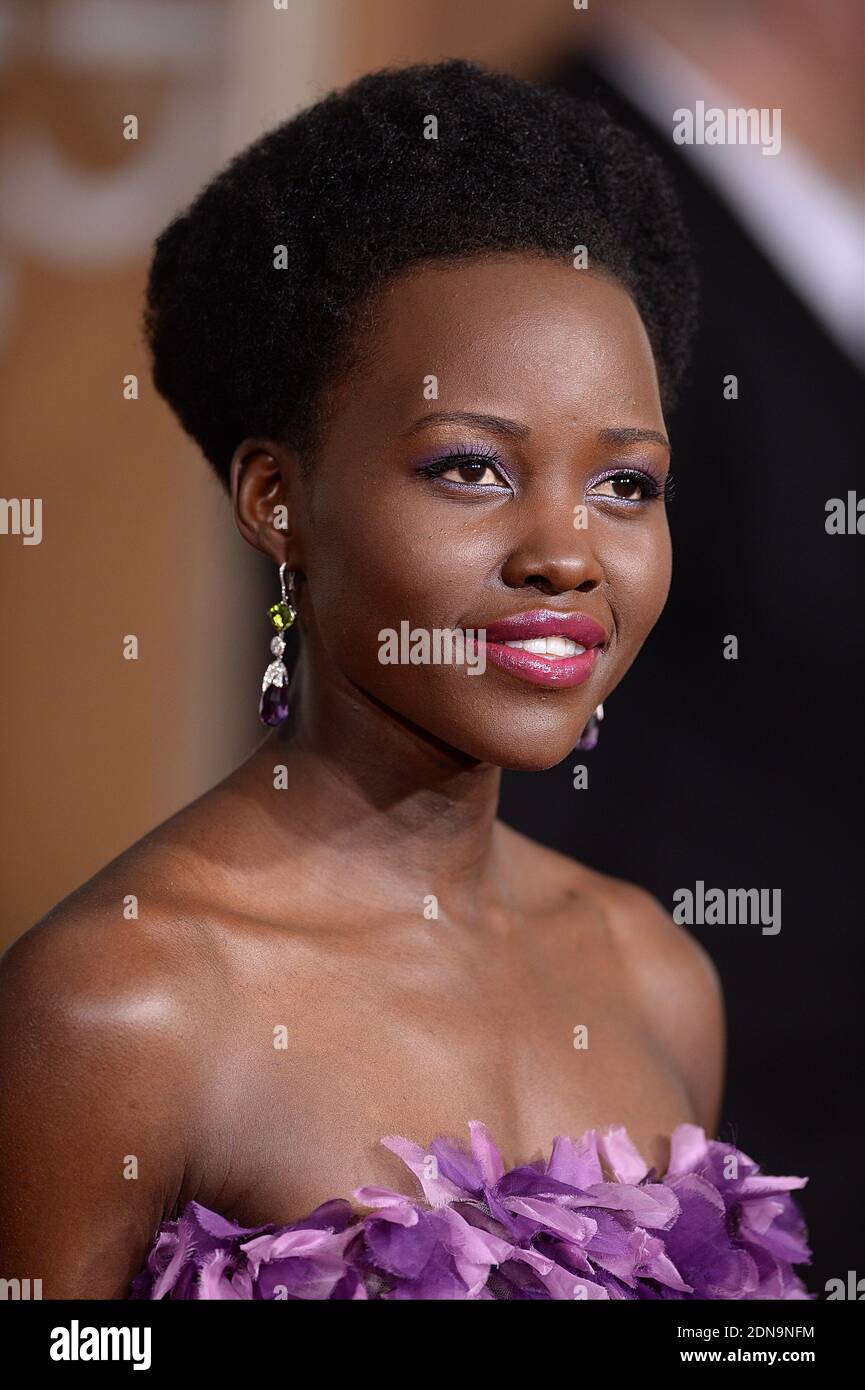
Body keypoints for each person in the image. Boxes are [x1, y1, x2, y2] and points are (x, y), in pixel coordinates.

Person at [0, 60, 810, 1300]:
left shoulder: (653, 974)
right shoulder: (123, 1008)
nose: (565, 554)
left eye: (625, 484)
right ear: (278, 501)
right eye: (471, 468)